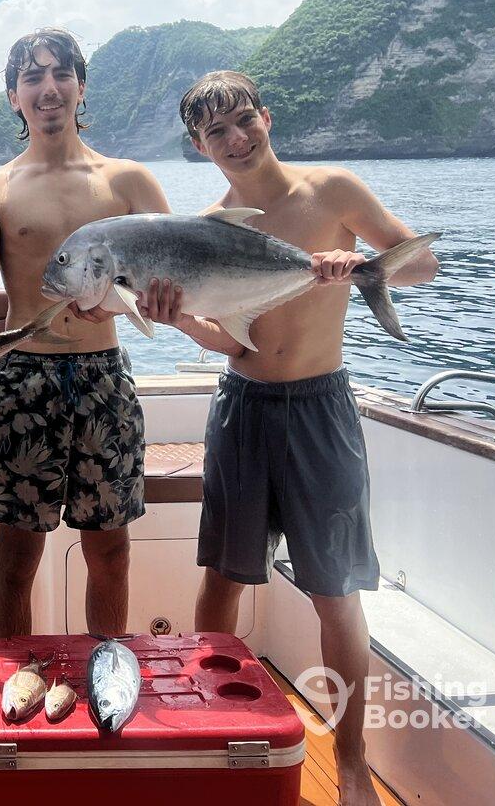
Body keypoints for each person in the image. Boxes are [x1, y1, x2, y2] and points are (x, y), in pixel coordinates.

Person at [139, 70, 438, 806]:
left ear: (267, 116)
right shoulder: (208, 226)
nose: (237, 140)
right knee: (221, 581)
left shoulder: (331, 192)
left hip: (320, 411)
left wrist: (361, 266)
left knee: (335, 594)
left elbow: (422, 262)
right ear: (198, 145)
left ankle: (352, 759)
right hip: (242, 408)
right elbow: (230, 342)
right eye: (217, 132)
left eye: (245, 120)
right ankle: (211, 731)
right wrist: (175, 318)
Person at [0, 27, 170, 640]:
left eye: (60, 74)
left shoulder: (128, 182)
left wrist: (131, 309)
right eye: (32, 77)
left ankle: (107, 676)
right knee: (17, 558)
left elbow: (164, 286)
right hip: (21, 378)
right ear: (14, 96)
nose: (48, 88)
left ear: (80, 86)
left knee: (111, 551)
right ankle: (12, 683)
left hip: (104, 377)